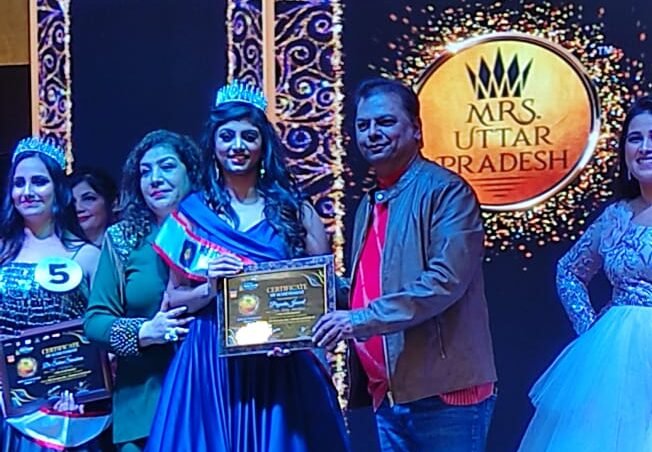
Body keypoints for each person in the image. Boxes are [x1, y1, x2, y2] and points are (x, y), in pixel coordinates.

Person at [146, 80, 350, 452]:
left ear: (263, 144)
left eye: (248, 136)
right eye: (227, 136)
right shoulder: (191, 213)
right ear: (213, 144)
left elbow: (322, 292)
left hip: (280, 361)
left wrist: (295, 336)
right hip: (210, 359)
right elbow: (174, 298)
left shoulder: (295, 210)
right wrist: (210, 287)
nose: (237, 146)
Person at [312, 78, 497, 451]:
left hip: (445, 394)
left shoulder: (446, 191)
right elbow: (373, 286)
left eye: (385, 122)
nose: (372, 133)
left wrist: (358, 320)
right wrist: (310, 290)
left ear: (416, 129)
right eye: (363, 125)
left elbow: (444, 281)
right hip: (389, 394)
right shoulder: (372, 201)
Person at [518, 96, 652, 451]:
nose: (644, 147)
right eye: (635, 138)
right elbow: (569, 271)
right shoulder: (616, 217)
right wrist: (592, 333)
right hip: (615, 362)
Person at [84, 130, 204, 451]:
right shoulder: (123, 238)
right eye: (145, 172)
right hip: (144, 406)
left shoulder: (218, 232)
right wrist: (144, 332)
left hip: (211, 398)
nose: (155, 179)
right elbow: (95, 321)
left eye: (167, 167)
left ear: (191, 172)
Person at [0, 137, 106, 451]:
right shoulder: (1, 253)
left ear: (58, 189)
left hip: (66, 414)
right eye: (19, 183)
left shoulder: (88, 256)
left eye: (38, 181)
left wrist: (86, 383)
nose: (27, 191)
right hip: (5, 406)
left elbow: (102, 330)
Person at [70, 166, 118, 246]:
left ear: (114, 203)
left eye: (88, 199)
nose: (78, 208)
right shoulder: (58, 250)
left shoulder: (132, 248)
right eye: (72, 202)